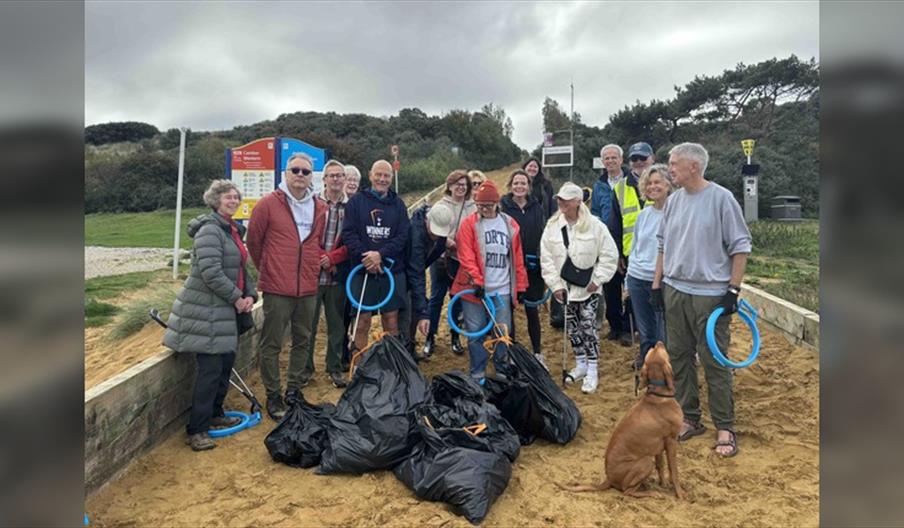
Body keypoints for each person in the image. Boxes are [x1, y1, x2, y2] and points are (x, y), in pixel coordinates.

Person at [652, 142, 752, 458]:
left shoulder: (722, 199)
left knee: (714, 360)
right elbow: (663, 245)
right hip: (675, 290)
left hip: (710, 295)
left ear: (694, 166)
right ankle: (690, 418)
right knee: (679, 357)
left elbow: (741, 246)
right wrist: (657, 285)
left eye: (674, 163)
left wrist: (733, 290)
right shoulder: (673, 202)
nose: (670, 169)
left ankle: (725, 425)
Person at [163, 180, 257, 451]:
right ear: (215, 200)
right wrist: (237, 298)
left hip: (224, 311)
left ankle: (216, 414)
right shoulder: (210, 231)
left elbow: (241, 268)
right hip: (207, 312)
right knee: (210, 371)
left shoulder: (232, 231)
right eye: (228, 197)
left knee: (225, 364)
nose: (233, 201)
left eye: (236, 197)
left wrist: (250, 293)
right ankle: (197, 429)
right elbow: (210, 272)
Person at [247, 153, 327, 420]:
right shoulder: (268, 205)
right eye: (296, 170)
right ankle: (273, 395)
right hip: (277, 288)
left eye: (306, 172)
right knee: (272, 343)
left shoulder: (319, 207)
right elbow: (254, 243)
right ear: (286, 173)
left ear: (311, 176)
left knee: (303, 340)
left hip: (307, 286)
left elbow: (316, 243)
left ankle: (293, 390)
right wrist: (269, 269)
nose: (301, 176)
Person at [540, 182, 618, 394]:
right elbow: (546, 258)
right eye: (559, 199)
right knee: (572, 327)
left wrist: (598, 279)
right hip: (564, 288)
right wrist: (555, 285)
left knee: (588, 326)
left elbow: (610, 255)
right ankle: (581, 363)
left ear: (577, 201)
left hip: (589, 288)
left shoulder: (595, 225)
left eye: (566, 199)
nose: (561, 202)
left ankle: (592, 368)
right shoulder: (552, 226)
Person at [450, 180, 528, 382]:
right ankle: (478, 372)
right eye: (480, 205)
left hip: (501, 289)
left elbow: (517, 258)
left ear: (496, 204)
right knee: (475, 332)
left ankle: (502, 368)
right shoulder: (469, 224)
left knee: (502, 331)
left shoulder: (510, 225)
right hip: (474, 290)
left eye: (488, 205)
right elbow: (466, 255)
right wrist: (477, 281)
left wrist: (520, 286)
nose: (484, 209)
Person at [341, 159, 410, 355]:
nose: (382, 179)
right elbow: (349, 234)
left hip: (390, 270)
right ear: (370, 175)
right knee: (362, 322)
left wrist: (380, 255)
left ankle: (392, 366)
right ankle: (359, 368)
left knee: (391, 319)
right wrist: (368, 257)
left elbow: (402, 236)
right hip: (362, 270)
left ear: (391, 178)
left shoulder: (398, 205)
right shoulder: (356, 202)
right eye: (378, 174)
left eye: (386, 175)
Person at [590, 143, 644, 347]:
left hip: (630, 243)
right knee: (611, 287)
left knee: (631, 288)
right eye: (607, 158)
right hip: (606, 243)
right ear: (602, 162)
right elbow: (594, 212)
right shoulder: (599, 186)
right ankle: (615, 326)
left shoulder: (634, 182)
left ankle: (630, 328)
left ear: (621, 160)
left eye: (614, 157)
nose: (610, 161)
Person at [305, 160, 350, 388]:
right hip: (313, 275)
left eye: (339, 175)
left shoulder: (351, 207)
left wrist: (333, 259)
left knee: (336, 325)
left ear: (345, 179)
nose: (336, 179)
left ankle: (334, 368)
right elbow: (306, 236)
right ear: (324, 179)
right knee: (307, 325)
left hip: (336, 275)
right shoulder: (312, 204)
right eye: (331, 175)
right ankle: (305, 370)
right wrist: (322, 257)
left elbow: (353, 241)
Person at [626, 164, 674, 369]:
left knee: (662, 326)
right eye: (650, 183)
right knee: (644, 326)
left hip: (662, 278)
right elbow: (636, 246)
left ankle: (663, 362)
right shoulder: (643, 215)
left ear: (668, 185)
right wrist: (628, 279)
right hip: (637, 276)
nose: (653, 187)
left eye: (658, 182)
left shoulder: (675, 213)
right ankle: (646, 358)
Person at [423, 170, 475, 358]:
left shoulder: (472, 207)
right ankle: (430, 336)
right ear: (450, 186)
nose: (461, 188)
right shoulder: (440, 205)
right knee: (436, 297)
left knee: (457, 298)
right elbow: (431, 229)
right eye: (457, 184)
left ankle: (455, 336)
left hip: (461, 260)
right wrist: (446, 242)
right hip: (441, 258)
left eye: (464, 185)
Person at [500, 169, 548, 366]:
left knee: (532, 310)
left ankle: (537, 352)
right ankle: (511, 352)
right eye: (516, 183)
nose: (519, 187)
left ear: (529, 187)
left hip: (533, 266)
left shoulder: (537, 207)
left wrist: (539, 255)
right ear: (511, 186)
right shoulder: (503, 208)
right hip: (510, 266)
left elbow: (543, 232)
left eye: (523, 183)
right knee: (509, 310)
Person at [398, 202, 447, 359]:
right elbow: (417, 272)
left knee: (414, 309)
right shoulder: (416, 233)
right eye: (434, 231)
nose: (436, 235)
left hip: (415, 270)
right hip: (402, 272)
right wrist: (424, 312)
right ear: (427, 220)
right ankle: (403, 354)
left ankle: (410, 348)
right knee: (406, 312)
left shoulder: (441, 230)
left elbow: (437, 249)